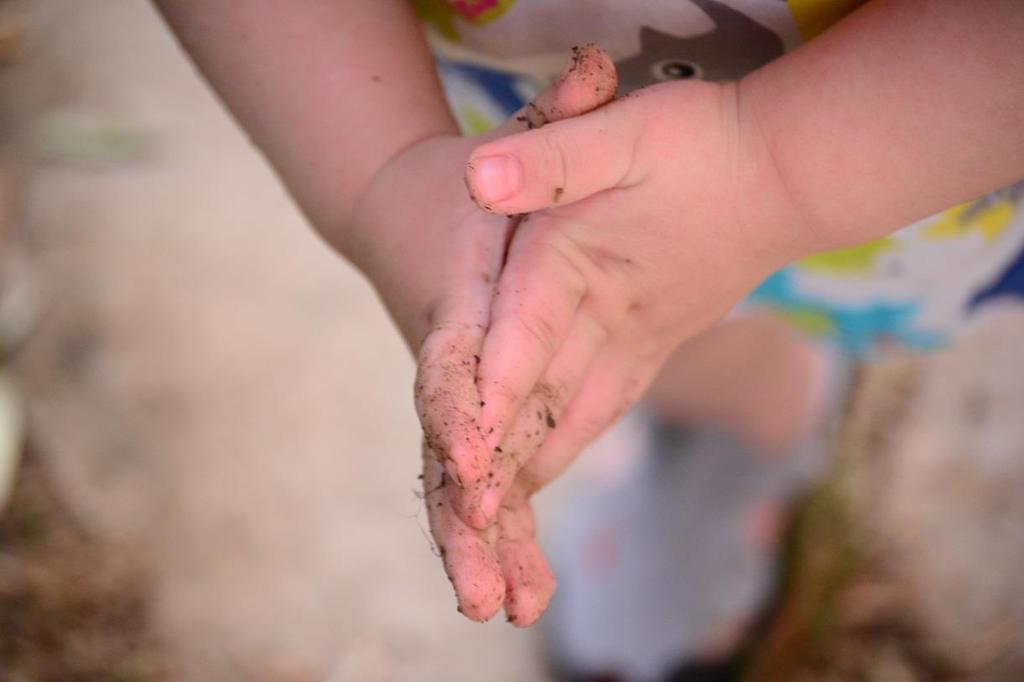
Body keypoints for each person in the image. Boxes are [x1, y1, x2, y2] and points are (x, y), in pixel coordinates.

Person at [155, 0, 1024, 678]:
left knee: (780, 289)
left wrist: (769, 174)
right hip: (496, 80)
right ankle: (708, 416)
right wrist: (382, 175)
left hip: (888, 134)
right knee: (614, 297)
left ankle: (755, 407)